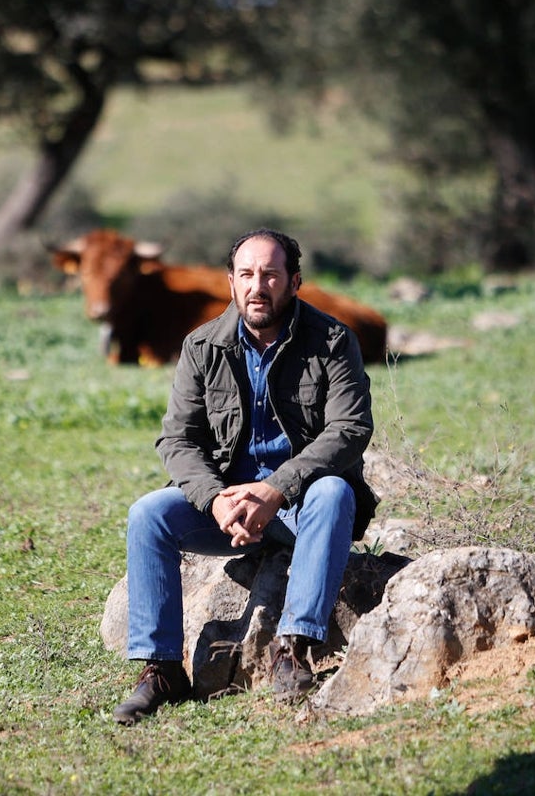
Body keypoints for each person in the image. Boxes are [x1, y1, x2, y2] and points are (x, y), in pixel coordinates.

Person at [113, 228, 377, 726]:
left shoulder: (335, 342)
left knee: (335, 491)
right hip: (227, 508)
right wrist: (215, 500)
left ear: (294, 281)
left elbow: (350, 429)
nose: (259, 286)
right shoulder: (201, 345)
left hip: (299, 503)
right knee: (148, 514)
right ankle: (163, 669)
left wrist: (276, 488)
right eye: (247, 274)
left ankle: (293, 650)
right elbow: (177, 441)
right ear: (230, 282)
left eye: (271, 275)